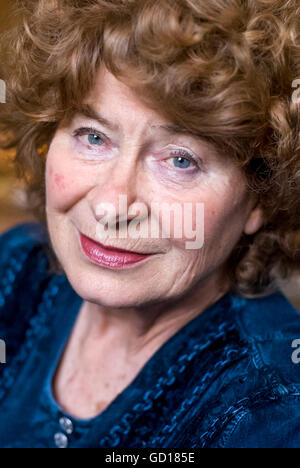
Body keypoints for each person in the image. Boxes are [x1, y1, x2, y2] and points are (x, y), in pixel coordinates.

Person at [0, 0, 299, 448]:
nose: (111, 205)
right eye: (93, 136)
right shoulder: (16, 265)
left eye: (181, 160)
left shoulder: (271, 412)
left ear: (261, 194)